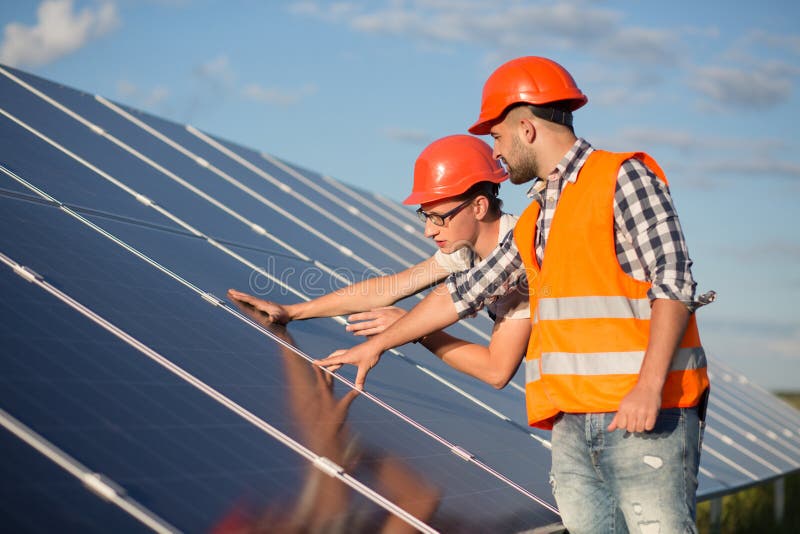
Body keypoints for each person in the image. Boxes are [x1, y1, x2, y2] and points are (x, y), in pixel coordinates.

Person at [316, 56, 712, 533]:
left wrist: (648, 387)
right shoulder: (536, 218)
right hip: (572, 423)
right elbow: (461, 294)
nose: (496, 153)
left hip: (645, 414)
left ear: (526, 129)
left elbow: (673, 282)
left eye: (498, 137)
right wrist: (378, 343)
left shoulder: (620, 177)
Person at [229, 134, 530, 388]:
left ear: (478, 206)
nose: (428, 230)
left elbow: (496, 370)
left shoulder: (521, 257)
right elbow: (390, 288)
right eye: (425, 216)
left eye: (438, 218)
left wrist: (415, 330)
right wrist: (293, 311)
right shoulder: (467, 250)